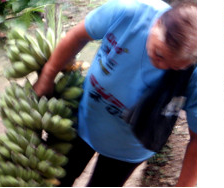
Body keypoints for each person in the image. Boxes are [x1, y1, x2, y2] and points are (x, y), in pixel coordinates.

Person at [32, 0, 196, 186]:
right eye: (159, 54)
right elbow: (78, 35)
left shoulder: (197, 74)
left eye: (174, 67)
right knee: (56, 179)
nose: (162, 66)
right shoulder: (129, 12)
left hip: (128, 151)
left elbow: (198, 140)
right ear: (157, 23)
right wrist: (47, 74)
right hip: (83, 122)